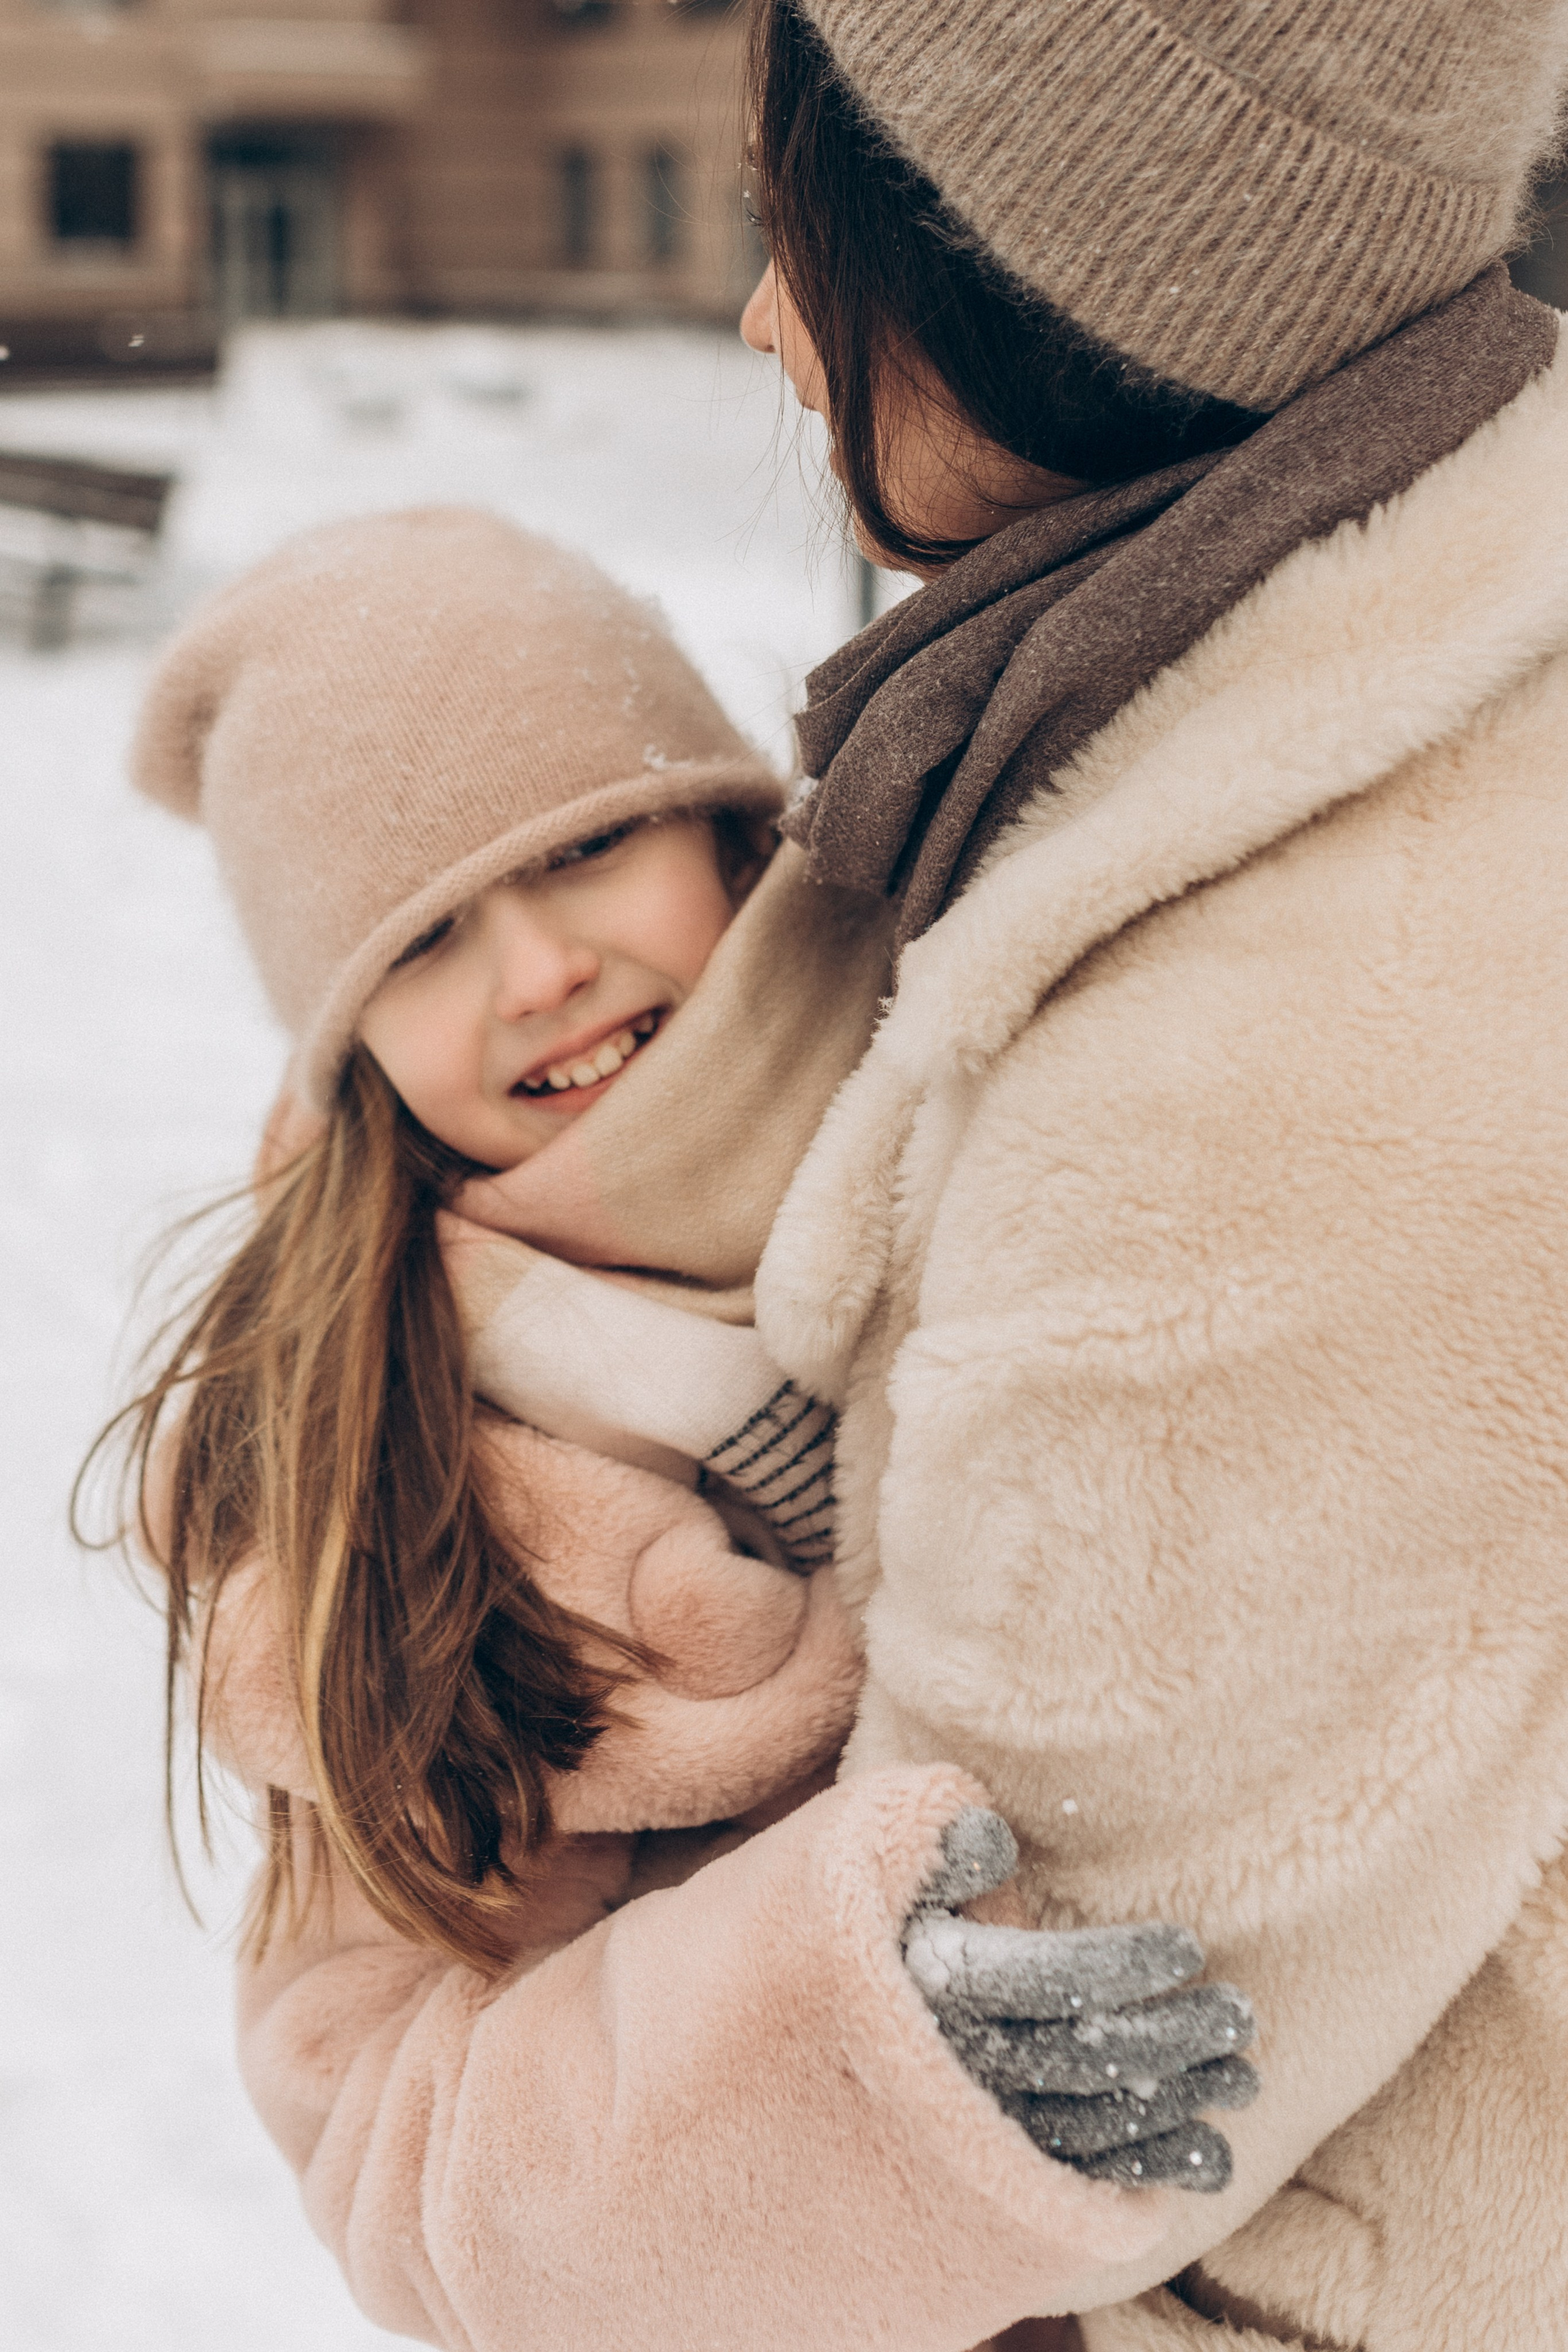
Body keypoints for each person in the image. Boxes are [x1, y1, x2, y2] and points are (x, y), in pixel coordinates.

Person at [115, 507, 1257, 2352]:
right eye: (421, 942)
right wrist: (841, 2066)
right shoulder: (394, 1473)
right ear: (351, 1052)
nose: (542, 971)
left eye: (583, 847)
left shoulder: (1047, 1103)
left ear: (725, 828)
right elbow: (396, 2150)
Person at [736, 1, 1568, 2345]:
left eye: (808, 239)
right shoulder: (1397, 688)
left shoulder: (1269, 1060)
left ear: (1039, 281)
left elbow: (1007, 2097)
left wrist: (444, 2125)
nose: (764, 324)